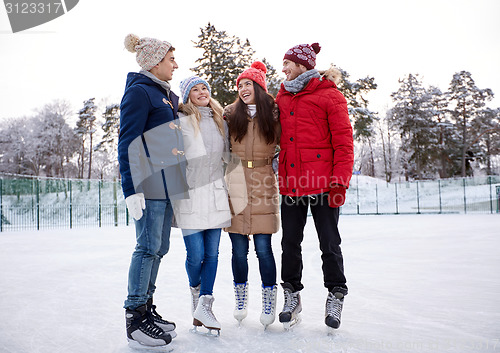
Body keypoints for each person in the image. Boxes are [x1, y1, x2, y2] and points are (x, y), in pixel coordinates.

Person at [275, 43, 354, 331]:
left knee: (329, 243)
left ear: (302, 64)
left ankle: (335, 294)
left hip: (323, 184)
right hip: (292, 183)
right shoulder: (281, 98)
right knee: (289, 243)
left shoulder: (329, 96)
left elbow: (344, 142)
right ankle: (292, 295)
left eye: (287, 63)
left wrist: (339, 182)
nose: (283, 69)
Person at [118, 33, 187, 349]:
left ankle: (147, 308)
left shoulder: (166, 96)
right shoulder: (140, 93)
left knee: (159, 248)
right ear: (155, 62)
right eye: (171, 59)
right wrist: (130, 189)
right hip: (146, 185)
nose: (175, 64)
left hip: (167, 185)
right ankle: (135, 319)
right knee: (146, 247)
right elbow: (127, 142)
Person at [223, 61, 280, 329]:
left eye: (248, 83)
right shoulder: (230, 114)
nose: (243, 88)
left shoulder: (275, 115)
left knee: (263, 248)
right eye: (240, 85)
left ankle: (269, 299)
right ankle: (241, 297)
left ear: (259, 86)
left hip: (264, 181)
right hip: (236, 182)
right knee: (237, 250)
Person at [172, 76, 231, 336]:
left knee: (214, 253)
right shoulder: (180, 120)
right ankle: (196, 293)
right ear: (187, 96)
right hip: (191, 195)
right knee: (195, 255)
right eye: (194, 89)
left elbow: (229, 157)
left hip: (216, 193)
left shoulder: (222, 121)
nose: (201, 92)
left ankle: (206, 303)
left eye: (204, 87)